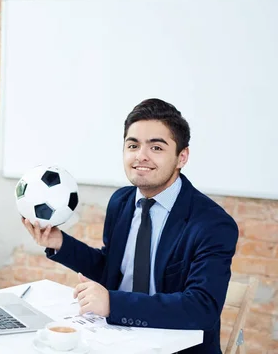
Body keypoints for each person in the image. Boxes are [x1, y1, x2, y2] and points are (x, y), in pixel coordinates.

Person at [22, 98, 238, 354]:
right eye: (133, 145)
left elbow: (202, 308)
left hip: (175, 347)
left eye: (156, 147)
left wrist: (113, 303)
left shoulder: (213, 223)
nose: (141, 156)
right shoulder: (121, 201)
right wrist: (60, 242)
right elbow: (112, 270)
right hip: (115, 339)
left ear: (182, 157)